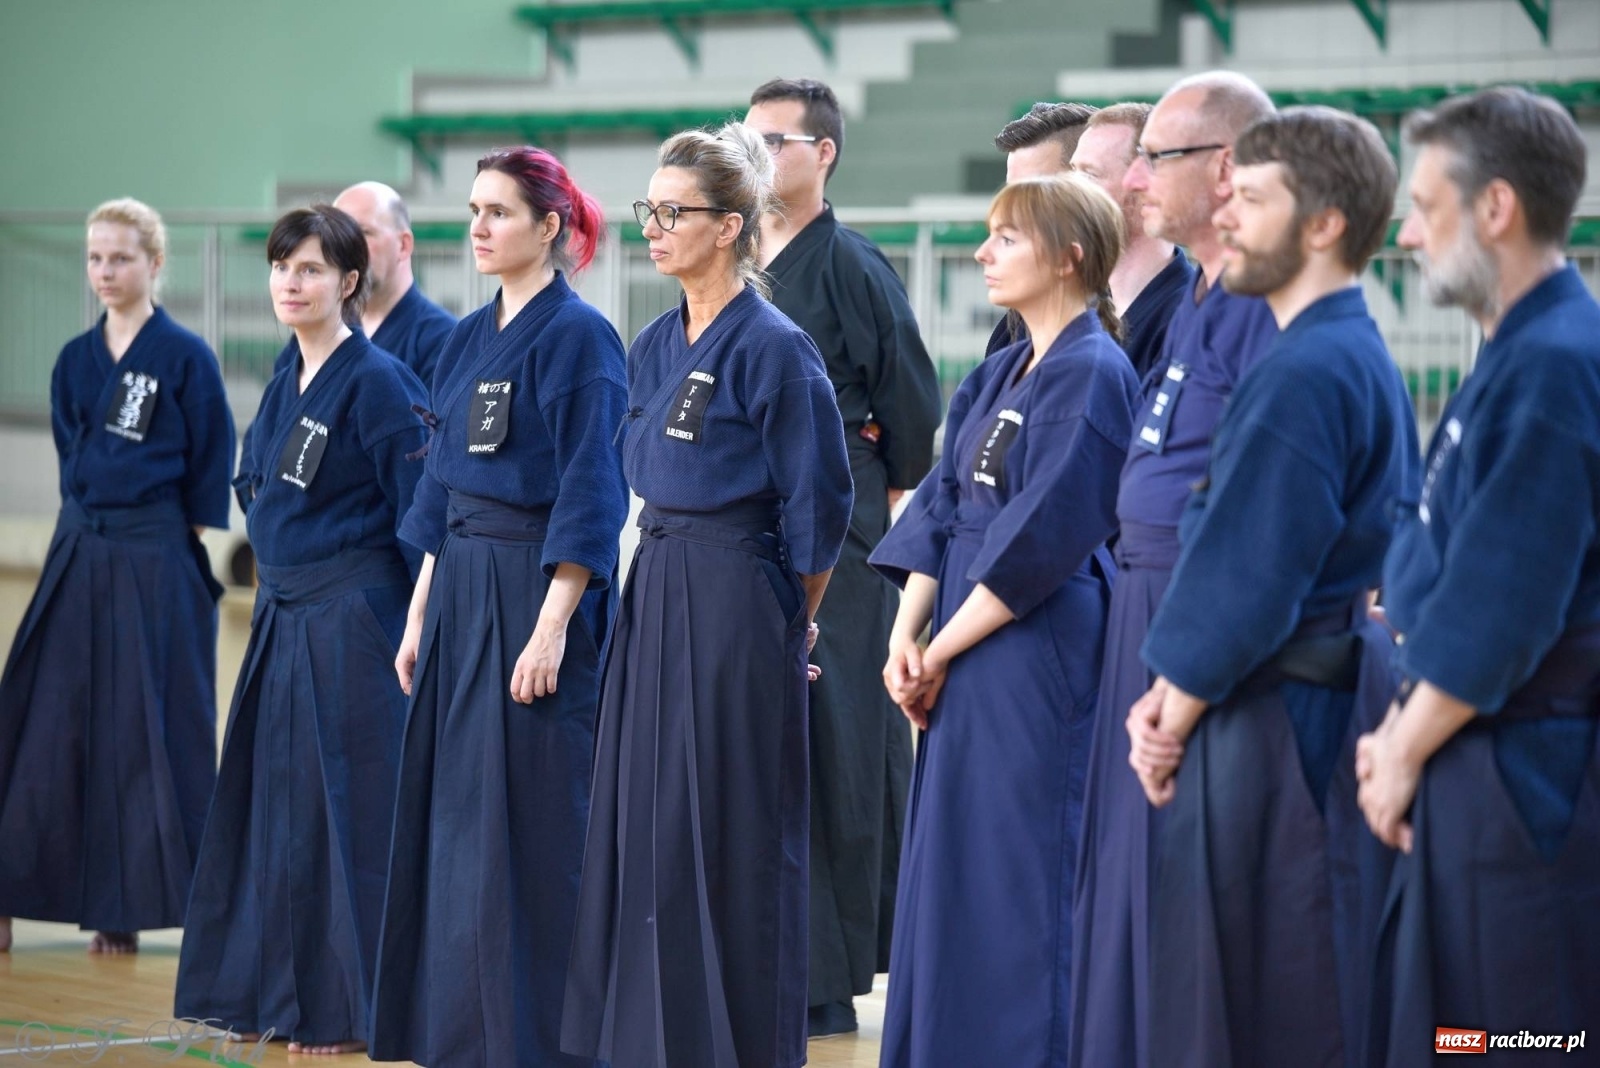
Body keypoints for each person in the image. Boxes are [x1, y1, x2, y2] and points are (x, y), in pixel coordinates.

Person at [1128, 106, 1419, 1068]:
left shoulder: (1309, 366)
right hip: (1284, 695)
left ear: (1324, 222)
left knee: (1271, 992)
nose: (1230, 215)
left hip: (1277, 713)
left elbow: (1253, 569)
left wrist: (1171, 705)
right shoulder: (1327, 349)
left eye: (1251, 199)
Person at [561, 123, 853, 1068]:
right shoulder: (652, 342)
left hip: (738, 594)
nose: (652, 224)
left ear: (729, 226)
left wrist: (787, 619)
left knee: (725, 821)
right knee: (646, 816)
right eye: (648, 208)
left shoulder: (777, 348)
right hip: (658, 583)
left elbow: (821, 509)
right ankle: (649, 1037)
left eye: (672, 211)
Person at [870, 173, 1140, 1067]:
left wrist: (936, 650)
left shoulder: (1096, 373)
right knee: (952, 868)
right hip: (961, 645)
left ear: (1069, 256)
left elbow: (1042, 538)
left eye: (1006, 238)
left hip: (1035, 648)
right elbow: (940, 511)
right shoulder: (997, 370)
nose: (982, 254)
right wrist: (905, 639)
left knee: (1022, 872)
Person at [370, 147, 628, 1068]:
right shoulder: (459, 340)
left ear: (550, 227)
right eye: (473, 210)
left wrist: (553, 626)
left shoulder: (583, 339)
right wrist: (416, 618)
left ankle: (545, 1039)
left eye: (498, 213)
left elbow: (593, 493)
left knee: (538, 819)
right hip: (460, 592)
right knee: (457, 816)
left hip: (536, 592)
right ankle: (461, 1029)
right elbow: (438, 495)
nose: (477, 228)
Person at [1358, 87, 1600, 1067]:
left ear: (1494, 208)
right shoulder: (1514, 355)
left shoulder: (1555, 361)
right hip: (1478, 756)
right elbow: (1425, 556)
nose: (1407, 235)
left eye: (1423, 207)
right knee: (1455, 1033)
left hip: (1521, 777)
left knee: (1508, 1040)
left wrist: (1399, 749)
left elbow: (1500, 599)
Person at [174, 204, 428, 1055]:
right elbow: (257, 485)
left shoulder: (381, 382)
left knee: (350, 816)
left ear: (350, 283)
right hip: (283, 619)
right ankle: (282, 995)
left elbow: (423, 516)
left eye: (312, 268)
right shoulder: (288, 375)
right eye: (283, 266)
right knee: (279, 813)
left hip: (355, 621)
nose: (292, 281)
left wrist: (411, 622)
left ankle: (354, 1010)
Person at [1066, 70, 1278, 1068]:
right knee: (1127, 897)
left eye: (1157, 155)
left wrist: (1182, 687)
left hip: (1202, 638)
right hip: (1144, 612)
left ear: (1224, 167)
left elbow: (1252, 517)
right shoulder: (1200, 289)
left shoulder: (1259, 302)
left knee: (1193, 909)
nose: (1135, 177)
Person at [745, 76, 941, 1039]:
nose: (760, 154)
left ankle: (830, 972)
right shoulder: (736, 261)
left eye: (777, 139)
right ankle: (769, 952)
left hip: (846, 521)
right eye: (748, 139)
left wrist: (878, 482)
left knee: (838, 740)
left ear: (823, 153)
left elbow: (912, 407)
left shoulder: (854, 266)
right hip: (751, 527)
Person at [0, 198, 233, 956]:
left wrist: (159, 540)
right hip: (81, 548)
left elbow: (208, 464)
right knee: (43, 718)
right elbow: (74, 464)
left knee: (153, 727)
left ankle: (130, 905)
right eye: (95, 258)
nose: (105, 272)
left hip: (155, 551)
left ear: (155, 263)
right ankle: (12, 890)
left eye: (121, 258)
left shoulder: (186, 356)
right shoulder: (75, 359)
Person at [263, 182, 456, 390]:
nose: (348, 246)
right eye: (338, 235)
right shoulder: (313, 336)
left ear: (403, 244)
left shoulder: (443, 339)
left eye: (364, 232)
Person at [1068, 104, 1194, 382]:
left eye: (1090, 174)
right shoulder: (1081, 314)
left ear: (1144, 185)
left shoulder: (1186, 319)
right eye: (1072, 171)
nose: (1068, 190)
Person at [986, 102, 1098, 355]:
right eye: (1013, 192)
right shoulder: (1010, 331)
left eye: (1037, 191)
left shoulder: (1155, 314)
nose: (1017, 209)